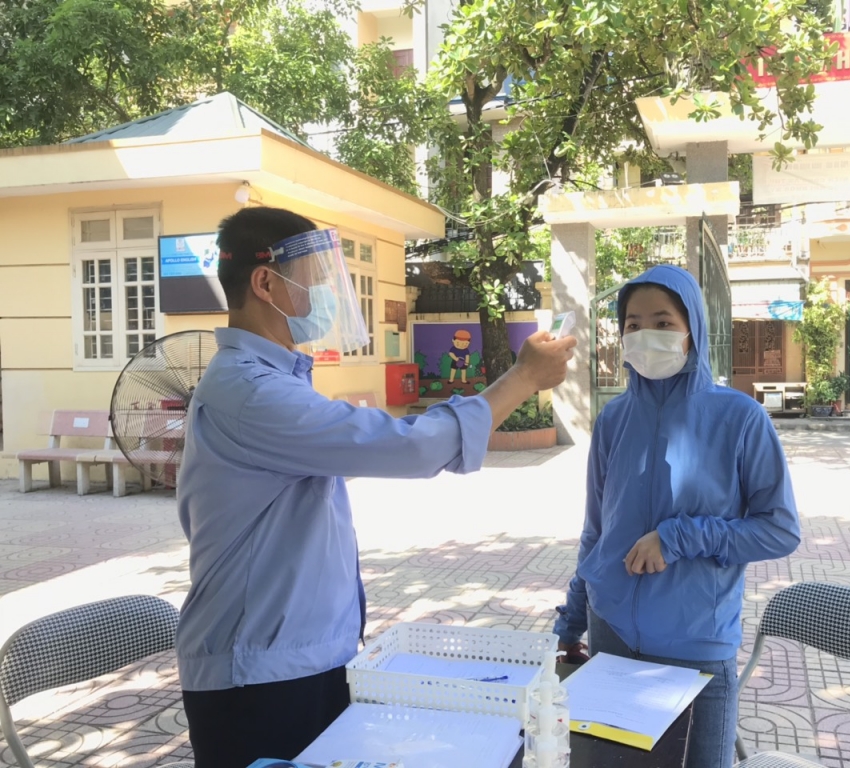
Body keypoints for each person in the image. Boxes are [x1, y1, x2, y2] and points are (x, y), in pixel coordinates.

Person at [176, 206, 576, 768]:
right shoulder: (248, 393)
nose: (327, 296)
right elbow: (411, 446)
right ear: (265, 282)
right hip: (259, 676)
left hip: (301, 658)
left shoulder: (272, 380)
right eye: (314, 279)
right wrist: (524, 379)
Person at [553, 264, 799, 768]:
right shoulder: (614, 419)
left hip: (696, 645)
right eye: (633, 325)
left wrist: (679, 537)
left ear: (693, 331)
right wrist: (571, 622)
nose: (647, 335)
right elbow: (596, 531)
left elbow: (779, 530)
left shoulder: (740, 418)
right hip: (612, 631)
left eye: (664, 323)